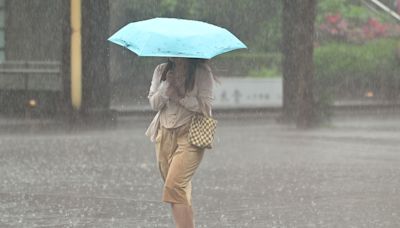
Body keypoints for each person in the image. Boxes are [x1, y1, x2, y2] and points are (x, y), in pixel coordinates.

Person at [145, 57, 214, 228]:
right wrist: (165, 88)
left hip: (190, 134)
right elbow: (154, 103)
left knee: (174, 185)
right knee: (178, 190)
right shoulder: (161, 70)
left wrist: (179, 95)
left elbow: (205, 107)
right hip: (164, 134)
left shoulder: (201, 72)